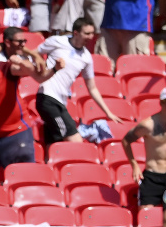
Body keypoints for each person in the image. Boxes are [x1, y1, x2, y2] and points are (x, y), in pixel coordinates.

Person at [35, 18, 123, 147]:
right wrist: (39, 69)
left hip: (61, 101)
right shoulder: (57, 41)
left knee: (54, 144)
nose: (90, 37)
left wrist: (108, 112)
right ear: (76, 33)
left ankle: (50, 163)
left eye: (92, 33)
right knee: (75, 141)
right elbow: (35, 53)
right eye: (87, 33)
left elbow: (92, 88)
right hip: (47, 97)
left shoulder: (86, 57)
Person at [123, 87, 166, 208]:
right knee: (146, 215)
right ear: (162, 103)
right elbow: (126, 140)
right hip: (153, 177)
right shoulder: (148, 125)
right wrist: (134, 165)